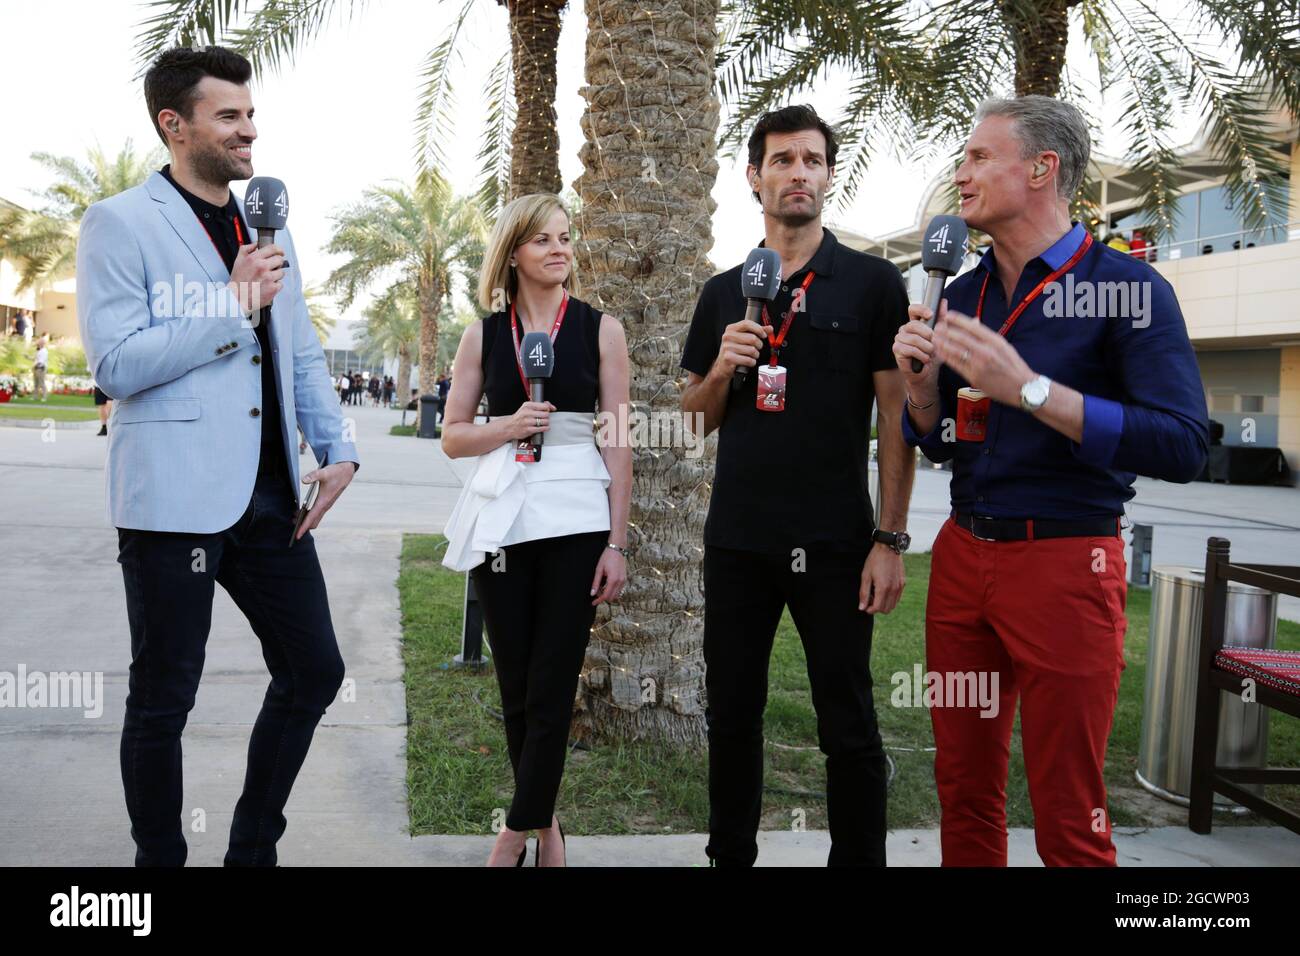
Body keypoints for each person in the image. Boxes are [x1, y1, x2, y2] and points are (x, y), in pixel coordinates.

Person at [892, 95, 1208, 866]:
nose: (959, 174)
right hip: (963, 556)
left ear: (1042, 169)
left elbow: (1183, 444)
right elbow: (937, 443)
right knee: (963, 787)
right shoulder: (956, 295)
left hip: (1068, 563)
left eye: (977, 158)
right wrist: (922, 388)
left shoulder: (1131, 289)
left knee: (1070, 809)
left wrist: (1031, 389)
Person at [76, 45, 359, 867]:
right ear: (175, 125)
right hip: (172, 500)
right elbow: (115, 365)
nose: (249, 131)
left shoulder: (266, 225)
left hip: (273, 499)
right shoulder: (120, 222)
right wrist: (231, 304)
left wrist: (336, 448)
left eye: (250, 114)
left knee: (314, 671)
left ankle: (251, 848)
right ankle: (159, 860)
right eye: (229, 116)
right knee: (165, 698)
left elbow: (298, 347)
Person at [679, 104, 913, 867]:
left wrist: (889, 539)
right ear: (755, 178)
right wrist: (722, 366)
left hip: (840, 543)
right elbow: (687, 425)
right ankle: (730, 858)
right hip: (739, 540)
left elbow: (897, 418)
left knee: (847, 720)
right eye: (782, 160)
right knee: (733, 714)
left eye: (812, 160)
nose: (798, 173)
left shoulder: (873, 285)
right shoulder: (723, 294)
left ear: (829, 176)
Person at [441, 192, 632, 867]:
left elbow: (618, 442)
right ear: (514, 252)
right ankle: (548, 830)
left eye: (566, 237)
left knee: (553, 682)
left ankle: (514, 833)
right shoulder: (483, 336)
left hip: (577, 516)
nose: (560, 249)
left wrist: (616, 541)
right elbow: (454, 438)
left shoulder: (601, 330)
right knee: (517, 684)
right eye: (544, 239)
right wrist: (510, 426)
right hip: (504, 519)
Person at [32, 334, 48, 402]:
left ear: (42, 343)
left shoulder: (44, 351)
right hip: (36, 368)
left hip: (40, 368)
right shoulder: (38, 350)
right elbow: (35, 359)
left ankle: (44, 397)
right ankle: (35, 396)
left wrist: (36, 365)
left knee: (41, 383)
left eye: (39, 342)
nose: (37, 343)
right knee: (36, 383)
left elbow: (41, 361)